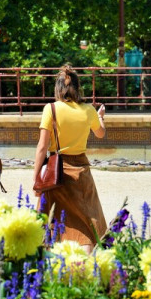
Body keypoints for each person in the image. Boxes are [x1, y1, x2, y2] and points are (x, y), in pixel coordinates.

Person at [33, 65, 107, 248]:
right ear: (77, 87)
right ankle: (86, 264)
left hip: (55, 172)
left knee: (49, 224)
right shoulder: (88, 110)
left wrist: (36, 179)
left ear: (58, 88)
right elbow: (100, 133)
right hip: (81, 171)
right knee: (87, 225)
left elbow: (42, 147)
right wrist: (100, 117)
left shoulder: (51, 109)